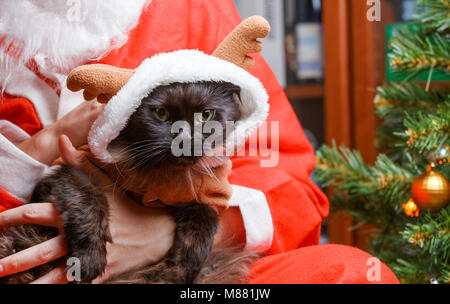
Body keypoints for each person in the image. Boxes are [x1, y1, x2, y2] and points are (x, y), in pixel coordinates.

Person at [0, 0, 399, 283]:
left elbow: (289, 183)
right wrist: (37, 150)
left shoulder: (196, 8)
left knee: (353, 273)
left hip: (193, 268)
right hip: (29, 262)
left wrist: (162, 235)